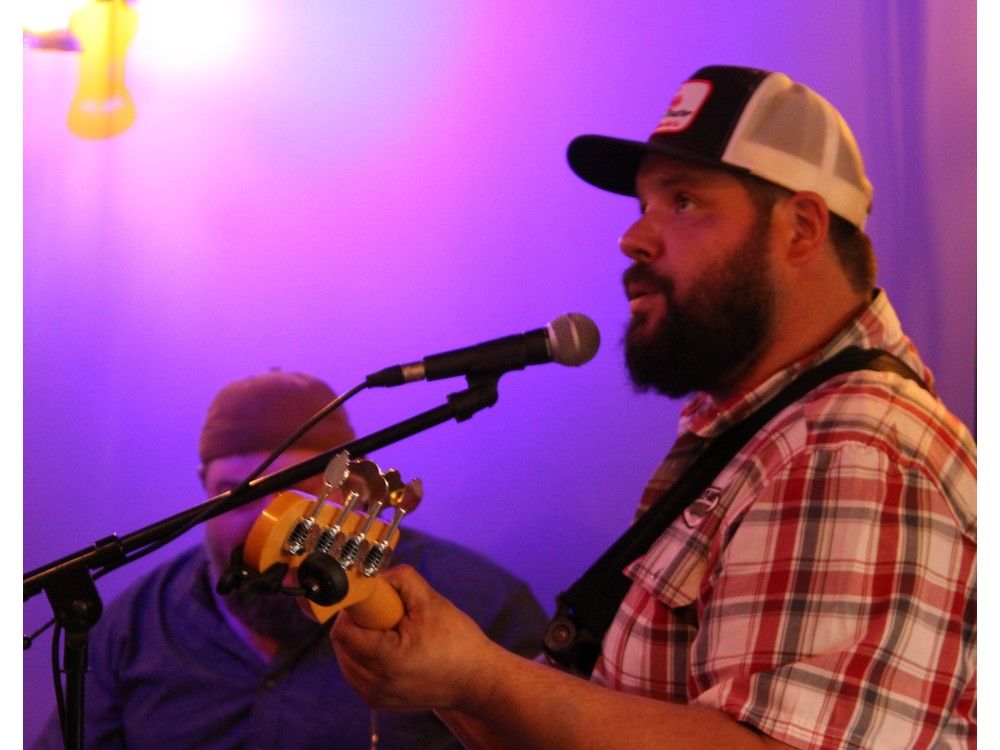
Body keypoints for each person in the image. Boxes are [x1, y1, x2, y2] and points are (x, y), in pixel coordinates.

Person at [329, 65, 977, 748]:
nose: (633, 238)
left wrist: (482, 680)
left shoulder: (855, 450)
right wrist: (449, 680)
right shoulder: (759, 439)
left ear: (802, 229)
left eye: (684, 201)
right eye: (643, 205)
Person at [34, 370, 548, 749]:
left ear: (352, 493)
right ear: (203, 492)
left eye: (294, 492)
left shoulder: (482, 605)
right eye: (234, 494)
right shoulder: (133, 625)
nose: (267, 519)